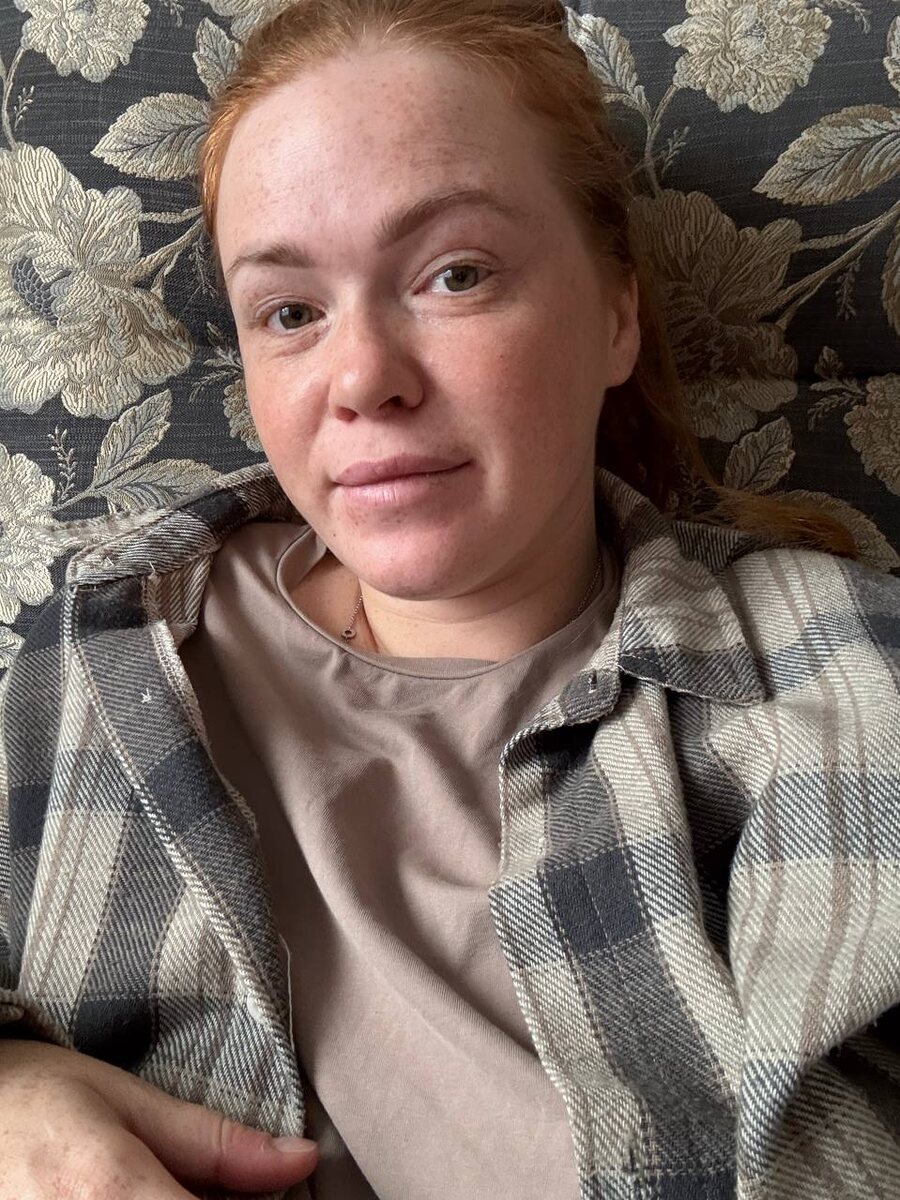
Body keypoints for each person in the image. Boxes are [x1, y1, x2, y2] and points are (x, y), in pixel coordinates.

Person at [1, 0, 898, 1197]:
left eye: (455, 274)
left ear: (617, 314)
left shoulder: (847, 669)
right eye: (290, 312)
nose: (362, 377)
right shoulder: (106, 649)